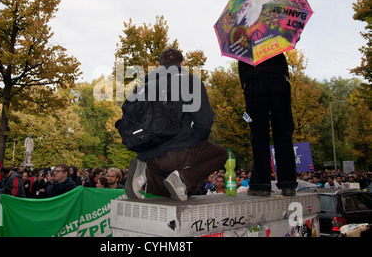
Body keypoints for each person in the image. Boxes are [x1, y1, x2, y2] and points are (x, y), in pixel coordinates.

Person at [122, 48, 228, 201]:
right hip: (177, 150)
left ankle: (144, 170)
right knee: (221, 154)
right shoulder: (190, 81)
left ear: (160, 64)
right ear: (182, 63)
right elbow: (204, 122)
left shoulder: (142, 85)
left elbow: (129, 117)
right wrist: (193, 140)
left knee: (172, 193)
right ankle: (183, 178)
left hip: (148, 156)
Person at [238, 53, 297, 196]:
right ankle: (288, 183)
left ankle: (261, 184)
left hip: (254, 79)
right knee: (283, 131)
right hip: (278, 77)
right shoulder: (274, 30)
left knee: (258, 134)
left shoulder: (241, 33)